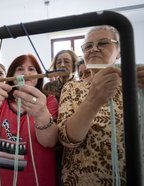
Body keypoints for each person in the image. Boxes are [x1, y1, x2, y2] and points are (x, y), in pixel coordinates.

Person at [57, 25, 144, 185]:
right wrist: (93, 99)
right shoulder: (73, 87)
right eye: (88, 46)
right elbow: (67, 138)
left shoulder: (135, 86)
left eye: (103, 43)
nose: (94, 49)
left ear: (119, 51)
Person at [0, 54, 59, 186]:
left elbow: (49, 142)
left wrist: (42, 113)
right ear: (12, 75)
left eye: (31, 69)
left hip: (34, 178)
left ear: (38, 75)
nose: (26, 73)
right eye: (20, 69)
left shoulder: (48, 101)